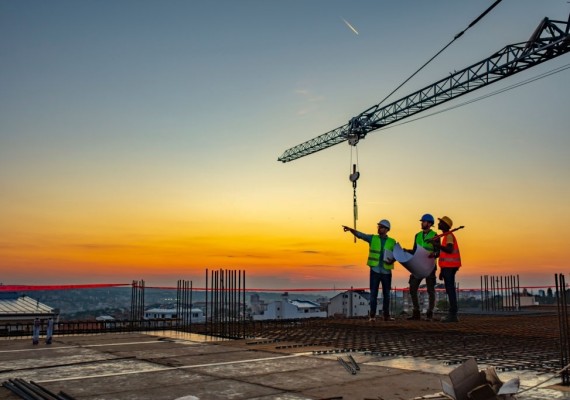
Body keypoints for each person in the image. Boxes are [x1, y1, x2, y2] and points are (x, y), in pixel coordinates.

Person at [342, 219, 396, 321]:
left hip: (386, 272)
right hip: (375, 270)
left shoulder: (392, 242)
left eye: (381, 227)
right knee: (373, 294)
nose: (379, 228)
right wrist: (350, 230)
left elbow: (398, 255)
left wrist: (392, 260)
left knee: (387, 295)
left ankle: (386, 315)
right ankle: (372, 315)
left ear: (386, 229)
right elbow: (361, 235)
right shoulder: (373, 238)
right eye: (378, 226)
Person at [406, 213, 440, 321]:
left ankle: (430, 313)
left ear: (429, 224)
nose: (422, 223)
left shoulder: (435, 235)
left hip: (429, 266)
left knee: (430, 290)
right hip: (418, 266)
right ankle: (416, 313)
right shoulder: (417, 235)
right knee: (412, 288)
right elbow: (415, 250)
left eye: (424, 221)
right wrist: (407, 251)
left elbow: (438, 252)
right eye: (422, 221)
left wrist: (434, 254)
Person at [433, 216, 462, 323]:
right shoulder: (446, 236)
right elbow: (444, 255)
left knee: (450, 291)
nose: (438, 224)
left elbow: (449, 250)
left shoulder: (449, 236)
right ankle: (452, 314)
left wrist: (438, 245)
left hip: (450, 267)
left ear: (445, 225)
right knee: (450, 290)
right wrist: (442, 270)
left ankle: (453, 314)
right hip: (447, 268)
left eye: (440, 222)